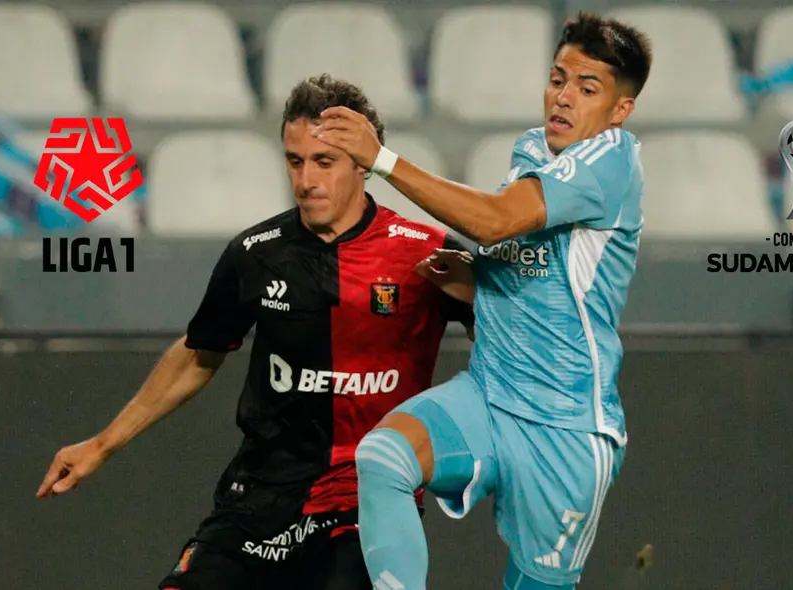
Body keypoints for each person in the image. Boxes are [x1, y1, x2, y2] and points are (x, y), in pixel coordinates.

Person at [35, 74, 473, 590]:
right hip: (258, 500)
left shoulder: (425, 253)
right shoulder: (256, 253)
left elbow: (506, 345)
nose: (306, 179)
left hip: (364, 503)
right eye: (295, 160)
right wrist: (103, 444)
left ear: (363, 165)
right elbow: (200, 353)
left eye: (324, 162)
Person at [311, 12, 651, 590]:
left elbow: (496, 222)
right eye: (557, 78)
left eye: (587, 89)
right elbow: (538, 261)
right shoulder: (531, 149)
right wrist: (475, 275)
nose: (563, 97)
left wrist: (384, 161)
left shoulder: (612, 161)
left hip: (564, 432)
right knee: (384, 458)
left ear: (620, 110)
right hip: (490, 395)